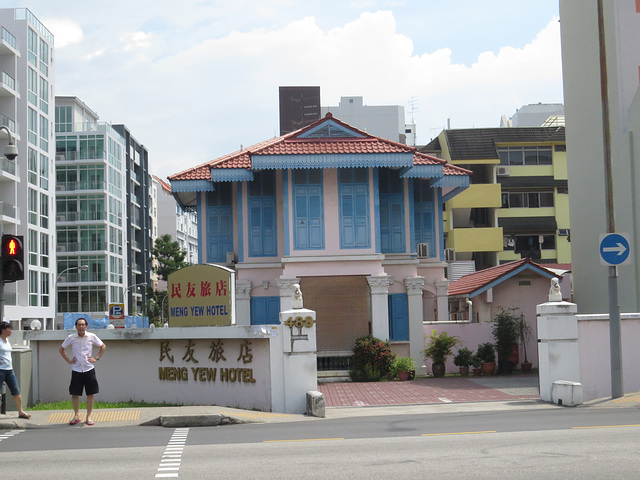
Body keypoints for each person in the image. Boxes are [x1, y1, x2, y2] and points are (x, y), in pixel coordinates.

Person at [59, 317, 106, 425]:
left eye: (83, 325)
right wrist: (68, 360)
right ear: (76, 327)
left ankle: (89, 416)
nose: (81, 327)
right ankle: (76, 415)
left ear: (86, 326)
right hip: (76, 369)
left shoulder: (91, 336)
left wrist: (96, 358)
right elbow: (61, 349)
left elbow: (103, 346)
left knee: (91, 393)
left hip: (89, 368)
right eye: (79, 325)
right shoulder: (71, 338)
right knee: (75, 394)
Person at [0, 321, 30, 419]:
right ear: (3, 330)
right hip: (1, 370)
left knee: (16, 390)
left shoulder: (7, 341)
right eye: (9, 329)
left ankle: (20, 412)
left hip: (9, 369)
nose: (11, 331)